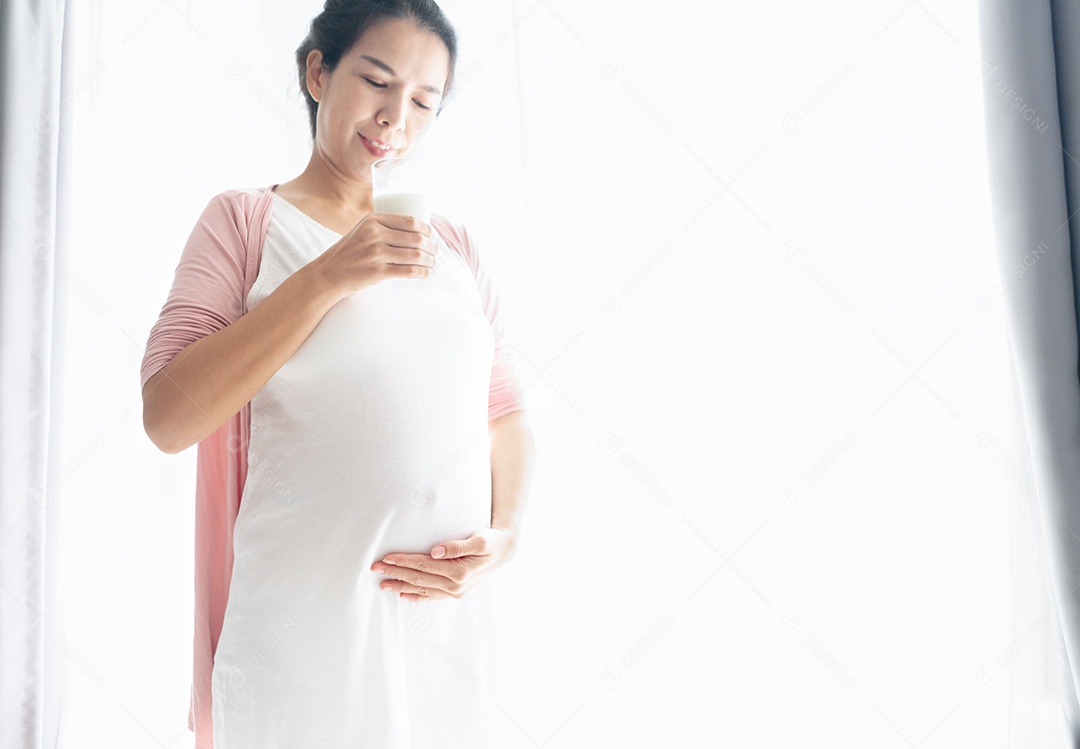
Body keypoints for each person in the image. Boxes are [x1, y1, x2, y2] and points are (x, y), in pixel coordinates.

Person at [139, 1, 537, 746]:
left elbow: (504, 412)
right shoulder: (245, 223)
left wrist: (504, 536)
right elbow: (167, 414)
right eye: (377, 81)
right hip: (303, 638)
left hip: (439, 638)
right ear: (318, 71)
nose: (395, 118)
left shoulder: (453, 247)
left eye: (424, 101)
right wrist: (327, 276)